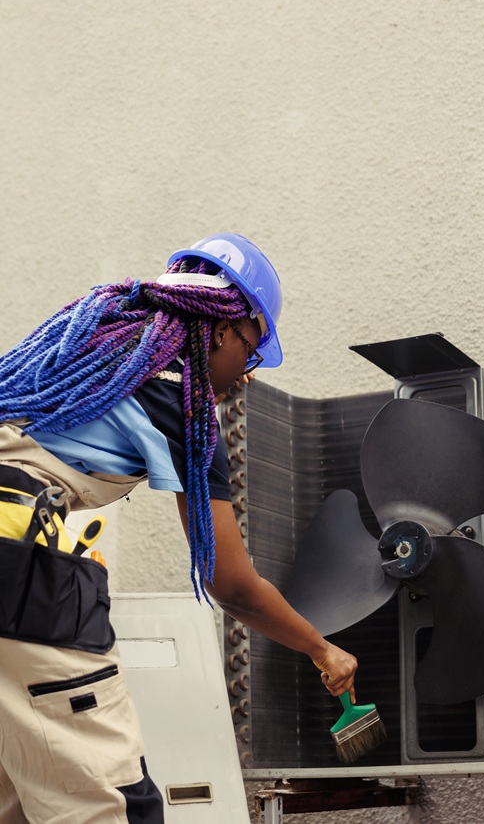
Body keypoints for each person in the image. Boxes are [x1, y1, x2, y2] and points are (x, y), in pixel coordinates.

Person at [0, 233, 358, 824]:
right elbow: (231, 582)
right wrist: (322, 648)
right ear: (223, 328)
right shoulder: (181, 402)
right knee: (110, 806)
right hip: (18, 562)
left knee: (17, 799)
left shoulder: (88, 353)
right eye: (252, 349)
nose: (247, 374)